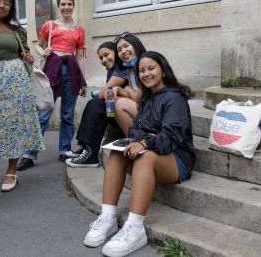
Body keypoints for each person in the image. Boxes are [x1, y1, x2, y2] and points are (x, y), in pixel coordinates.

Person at [83, 51, 196, 256]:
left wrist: (146, 141)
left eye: (151, 68)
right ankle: (108, 218)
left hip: (177, 159)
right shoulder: (147, 98)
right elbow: (136, 129)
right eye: (142, 70)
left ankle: (135, 228)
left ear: (163, 71)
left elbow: (171, 137)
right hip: (156, 151)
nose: (146, 74)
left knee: (145, 156)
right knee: (117, 152)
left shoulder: (174, 98)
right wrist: (135, 139)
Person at [0, 0, 44, 191]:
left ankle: (11, 171)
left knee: (13, 125)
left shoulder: (15, 29)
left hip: (16, 82)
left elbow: (23, 54)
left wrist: (29, 59)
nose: (2, 5)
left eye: (7, 3)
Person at [16, 0, 87, 171]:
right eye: (63, 4)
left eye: (69, 4)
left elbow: (79, 56)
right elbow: (38, 45)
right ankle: (29, 154)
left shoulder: (79, 29)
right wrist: (43, 52)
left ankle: (64, 150)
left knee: (68, 115)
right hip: (52, 69)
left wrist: (83, 80)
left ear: (73, 5)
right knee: (43, 113)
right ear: (59, 6)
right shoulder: (50, 25)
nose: (66, 7)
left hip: (71, 71)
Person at [65, 41, 128, 168]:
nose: (104, 60)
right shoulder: (113, 69)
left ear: (115, 52)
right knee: (93, 103)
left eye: (106, 55)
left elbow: (102, 94)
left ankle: (91, 155)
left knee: (97, 105)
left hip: (127, 115)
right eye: (101, 58)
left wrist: (101, 93)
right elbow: (107, 94)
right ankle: (84, 147)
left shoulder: (122, 69)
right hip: (117, 110)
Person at [112, 32, 147, 135]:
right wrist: (119, 89)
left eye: (126, 46)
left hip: (151, 111)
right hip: (141, 107)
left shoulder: (144, 65)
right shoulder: (130, 69)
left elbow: (137, 97)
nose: (123, 51)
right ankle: (131, 137)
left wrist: (127, 88)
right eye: (119, 50)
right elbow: (132, 95)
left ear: (136, 45)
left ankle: (136, 139)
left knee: (120, 104)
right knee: (114, 100)